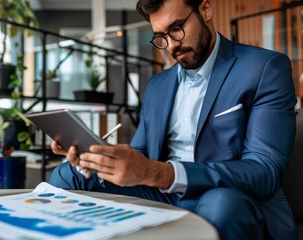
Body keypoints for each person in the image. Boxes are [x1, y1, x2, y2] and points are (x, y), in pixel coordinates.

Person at [49, 0, 298, 239]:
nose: (170, 45)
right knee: (68, 175)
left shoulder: (264, 68)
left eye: (176, 29)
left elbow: (264, 171)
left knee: (221, 205)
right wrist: (100, 160)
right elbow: (139, 155)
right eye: (161, 36)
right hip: (164, 194)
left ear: (206, 9)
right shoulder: (158, 85)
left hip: (227, 196)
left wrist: (165, 174)